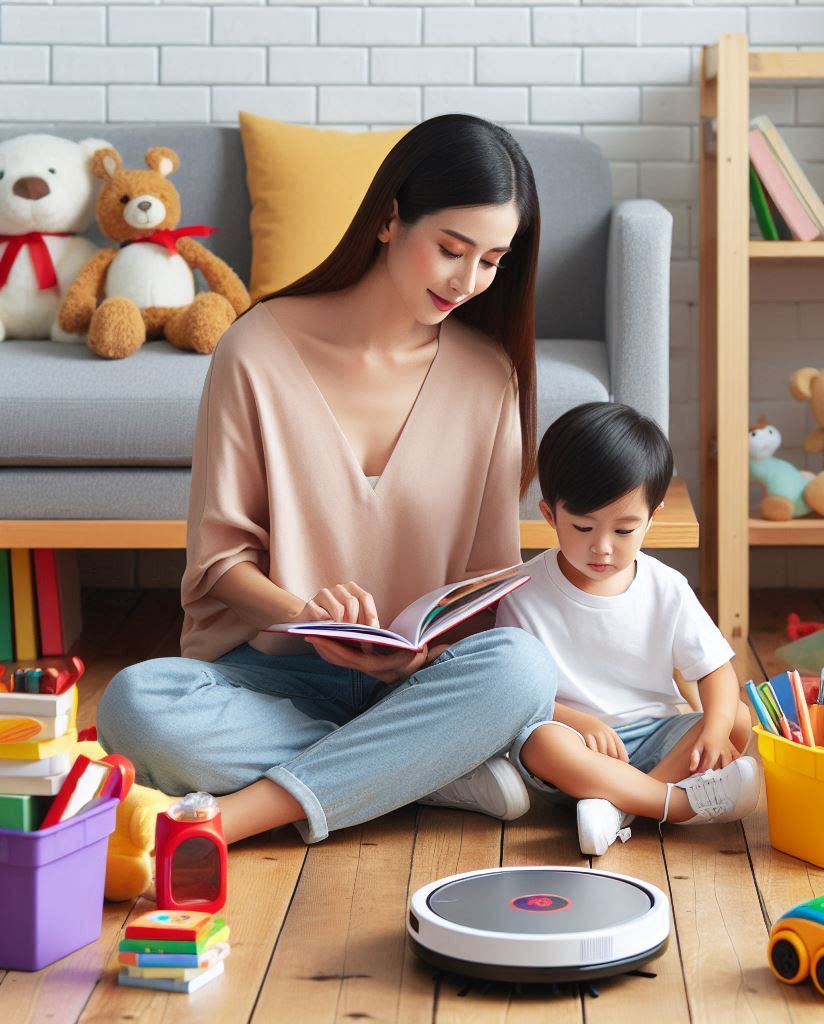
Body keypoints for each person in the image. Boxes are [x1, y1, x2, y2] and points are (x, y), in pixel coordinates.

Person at [97, 114, 557, 846]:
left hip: (417, 682)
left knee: (522, 668)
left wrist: (422, 654)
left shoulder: (488, 376)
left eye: (492, 260)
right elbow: (219, 564)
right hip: (272, 676)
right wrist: (309, 616)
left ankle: (247, 814)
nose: (468, 282)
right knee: (136, 705)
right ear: (388, 219)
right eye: (451, 249)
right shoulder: (256, 351)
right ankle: (426, 771)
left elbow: (486, 581)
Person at [497, 403, 758, 856]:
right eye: (582, 527)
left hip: (657, 738)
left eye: (624, 529)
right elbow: (516, 691)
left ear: (652, 518)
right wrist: (578, 720)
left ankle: (621, 807)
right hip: (577, 749)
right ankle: (672, 804)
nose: (602, 547)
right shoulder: (523, 590)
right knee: (540, 743)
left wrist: (714, 731)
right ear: (549, 514)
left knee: (733, 717)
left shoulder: (665, 586)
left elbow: (716, 671)